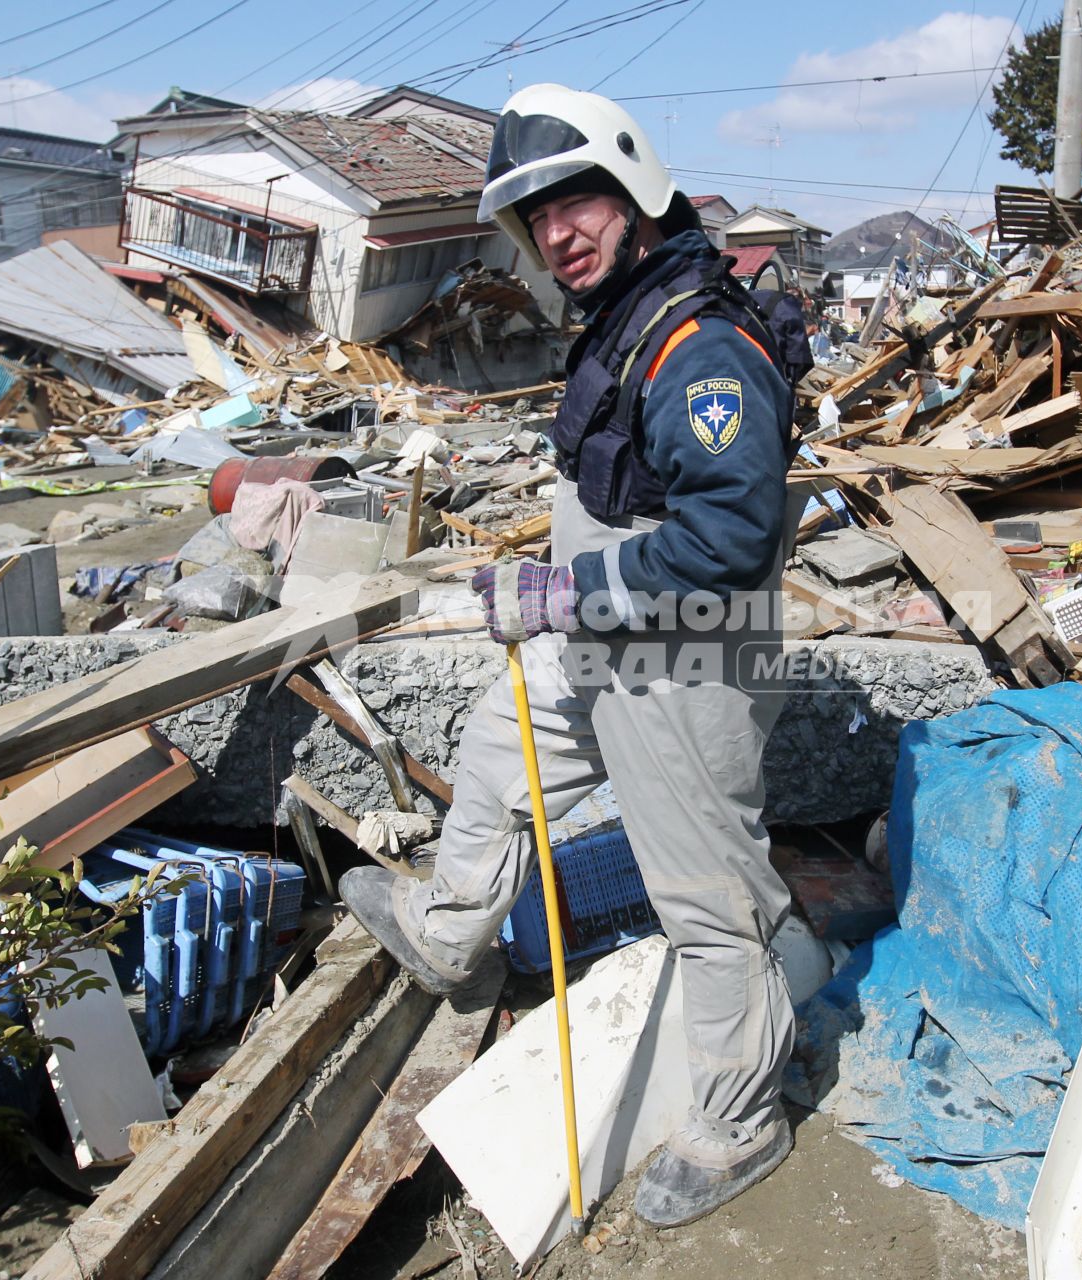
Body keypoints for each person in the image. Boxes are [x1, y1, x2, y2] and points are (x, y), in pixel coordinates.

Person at [338, 82, 804, 1229]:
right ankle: (452, 938)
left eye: (574, 201)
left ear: (632, 188)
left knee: (708, 898)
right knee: (498, 760)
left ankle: (742, 1111)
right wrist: (567, 602)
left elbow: (730, 540)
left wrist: (561, 587)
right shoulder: (628, 316)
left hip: (686, 660)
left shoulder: (700, 345)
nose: (556, 234)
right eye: (534, 217)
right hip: (599, 635)